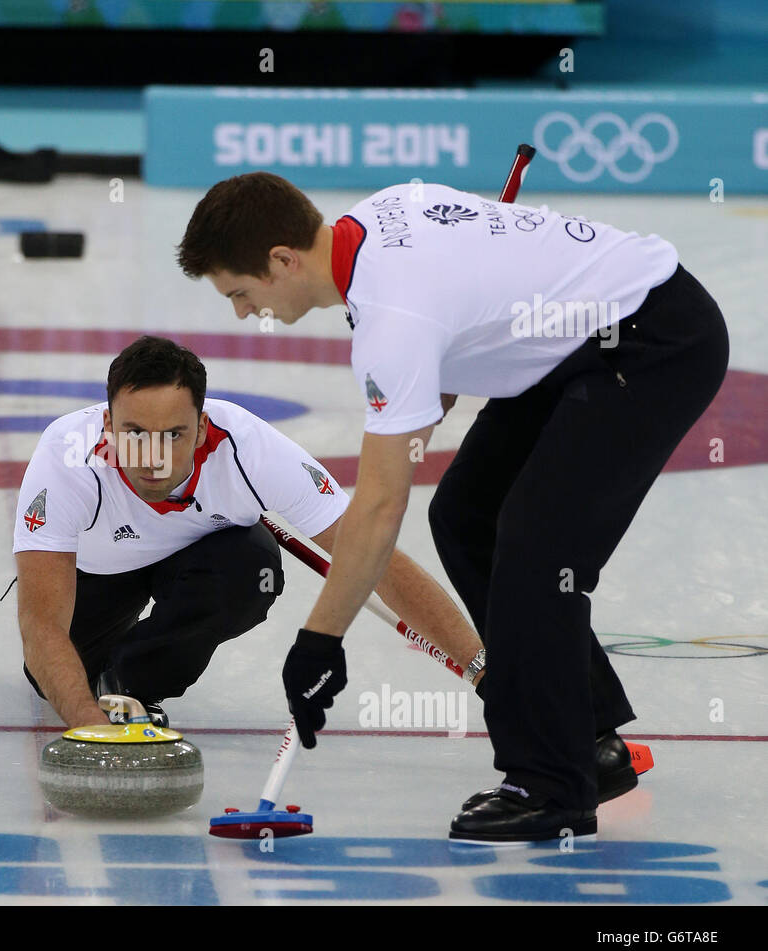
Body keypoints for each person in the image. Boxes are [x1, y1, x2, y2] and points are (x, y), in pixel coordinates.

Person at [177, 172, 728, 843]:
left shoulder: (393, 315)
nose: (241, 311)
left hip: (651, 342)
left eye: (240, 293)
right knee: (467, 514)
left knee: (536, 551)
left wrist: (320, 639)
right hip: (571, 344)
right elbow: (432, 375)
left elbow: (380, 508)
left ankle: (552, 783)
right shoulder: (378, 218)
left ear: (283, 261)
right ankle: (586, 737)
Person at [12, 334, 486, 730]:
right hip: (96, 575)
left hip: (194, 560)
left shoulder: (248, 447)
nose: (151, 456)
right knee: (53, 679)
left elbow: (375, 557)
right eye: (134, 432)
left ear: (201, 429)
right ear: (108, 425)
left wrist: (484, 670)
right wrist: (86, 724)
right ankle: (105, 675)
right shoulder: (67, 457)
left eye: (173, 434)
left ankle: (133, 683)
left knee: (249, 566)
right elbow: (42, 623)